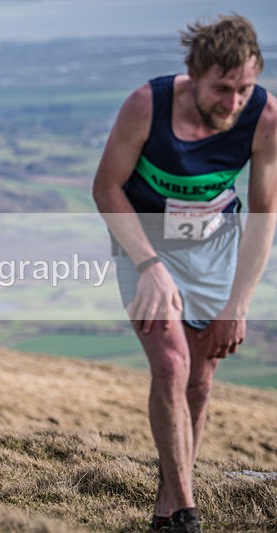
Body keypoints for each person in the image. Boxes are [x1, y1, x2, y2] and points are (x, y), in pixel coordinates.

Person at [93, 14, 276, 532]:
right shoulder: (146, 106)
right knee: (171, 366)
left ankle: (165, 512)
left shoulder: (264, 118)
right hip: (143, 244)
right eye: (222, 89)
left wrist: (237, 305)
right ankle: (189, 516)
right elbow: (106, 188)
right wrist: (149, 265)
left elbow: (264, 216)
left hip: (215, 253)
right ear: (193, 75)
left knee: (199, 382)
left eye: (244, 88)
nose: (233, 102)